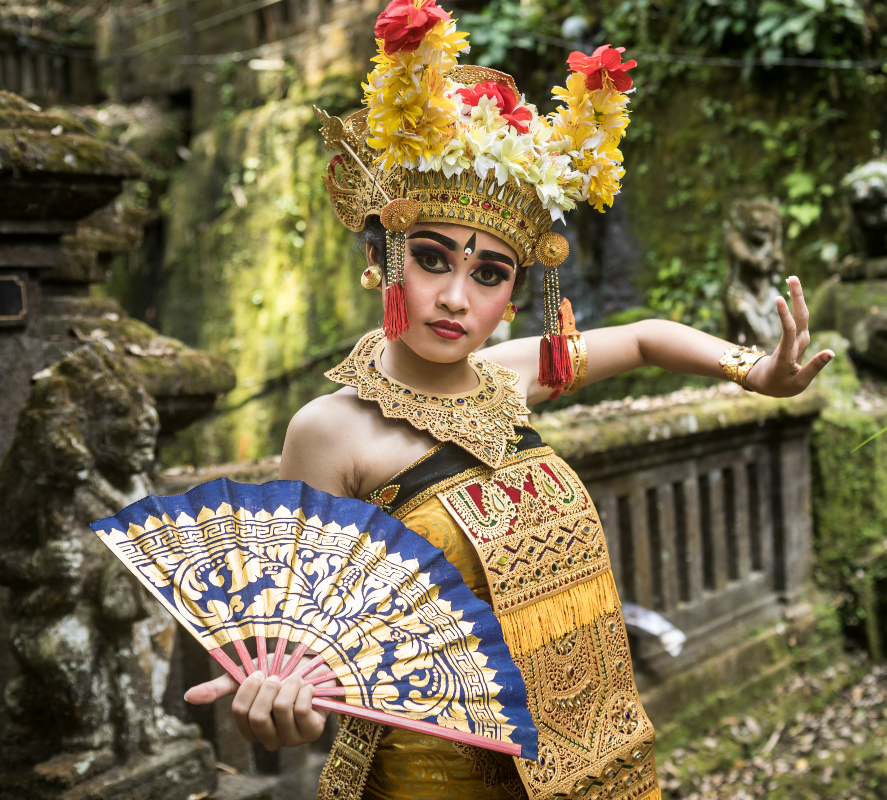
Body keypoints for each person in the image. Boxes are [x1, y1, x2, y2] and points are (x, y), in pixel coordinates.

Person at [183, 3, 833, 799]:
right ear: (378, 261)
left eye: (489, 273)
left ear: (516, 298)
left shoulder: (510, 375)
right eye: (430, 258)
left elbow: (646, 337)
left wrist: (751, 369)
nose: (456, 297)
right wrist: (275, 708)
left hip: (596, 763)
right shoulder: (330, 434)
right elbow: (306, 664)